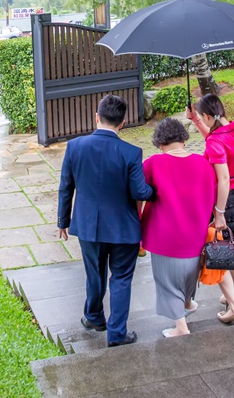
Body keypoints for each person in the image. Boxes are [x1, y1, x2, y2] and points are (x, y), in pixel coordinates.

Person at [57, 94, 154, 348]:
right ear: (122, 123)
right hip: (124, 228)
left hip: (87, 225)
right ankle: (117, 333)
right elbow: (139, 192)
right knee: (121, 278)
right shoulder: (132, 153)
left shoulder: (74, 146)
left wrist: (62, 221)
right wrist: (154, 190)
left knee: (94, 274)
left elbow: (65, 187)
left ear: (96, 117)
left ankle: (94, 317)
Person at [140, 118, 220, 338]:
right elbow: (210, 194)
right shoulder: (203, 163)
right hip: (196, 232)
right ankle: (187, 303)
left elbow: (139, 195)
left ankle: (181, 327)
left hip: (164, 234)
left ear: (160, 142)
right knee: (188, 274)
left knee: (166, 280)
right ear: (183, 139)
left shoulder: (153, 164)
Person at [187, 93, 234, 325]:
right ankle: (230, 294)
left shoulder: (214, 142)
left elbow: (223, 178)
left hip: (225, 197)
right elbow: (217, 139)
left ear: (209, 115)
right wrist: (197, 122)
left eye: (201, 117)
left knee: (219, 249)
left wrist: (219, 212)